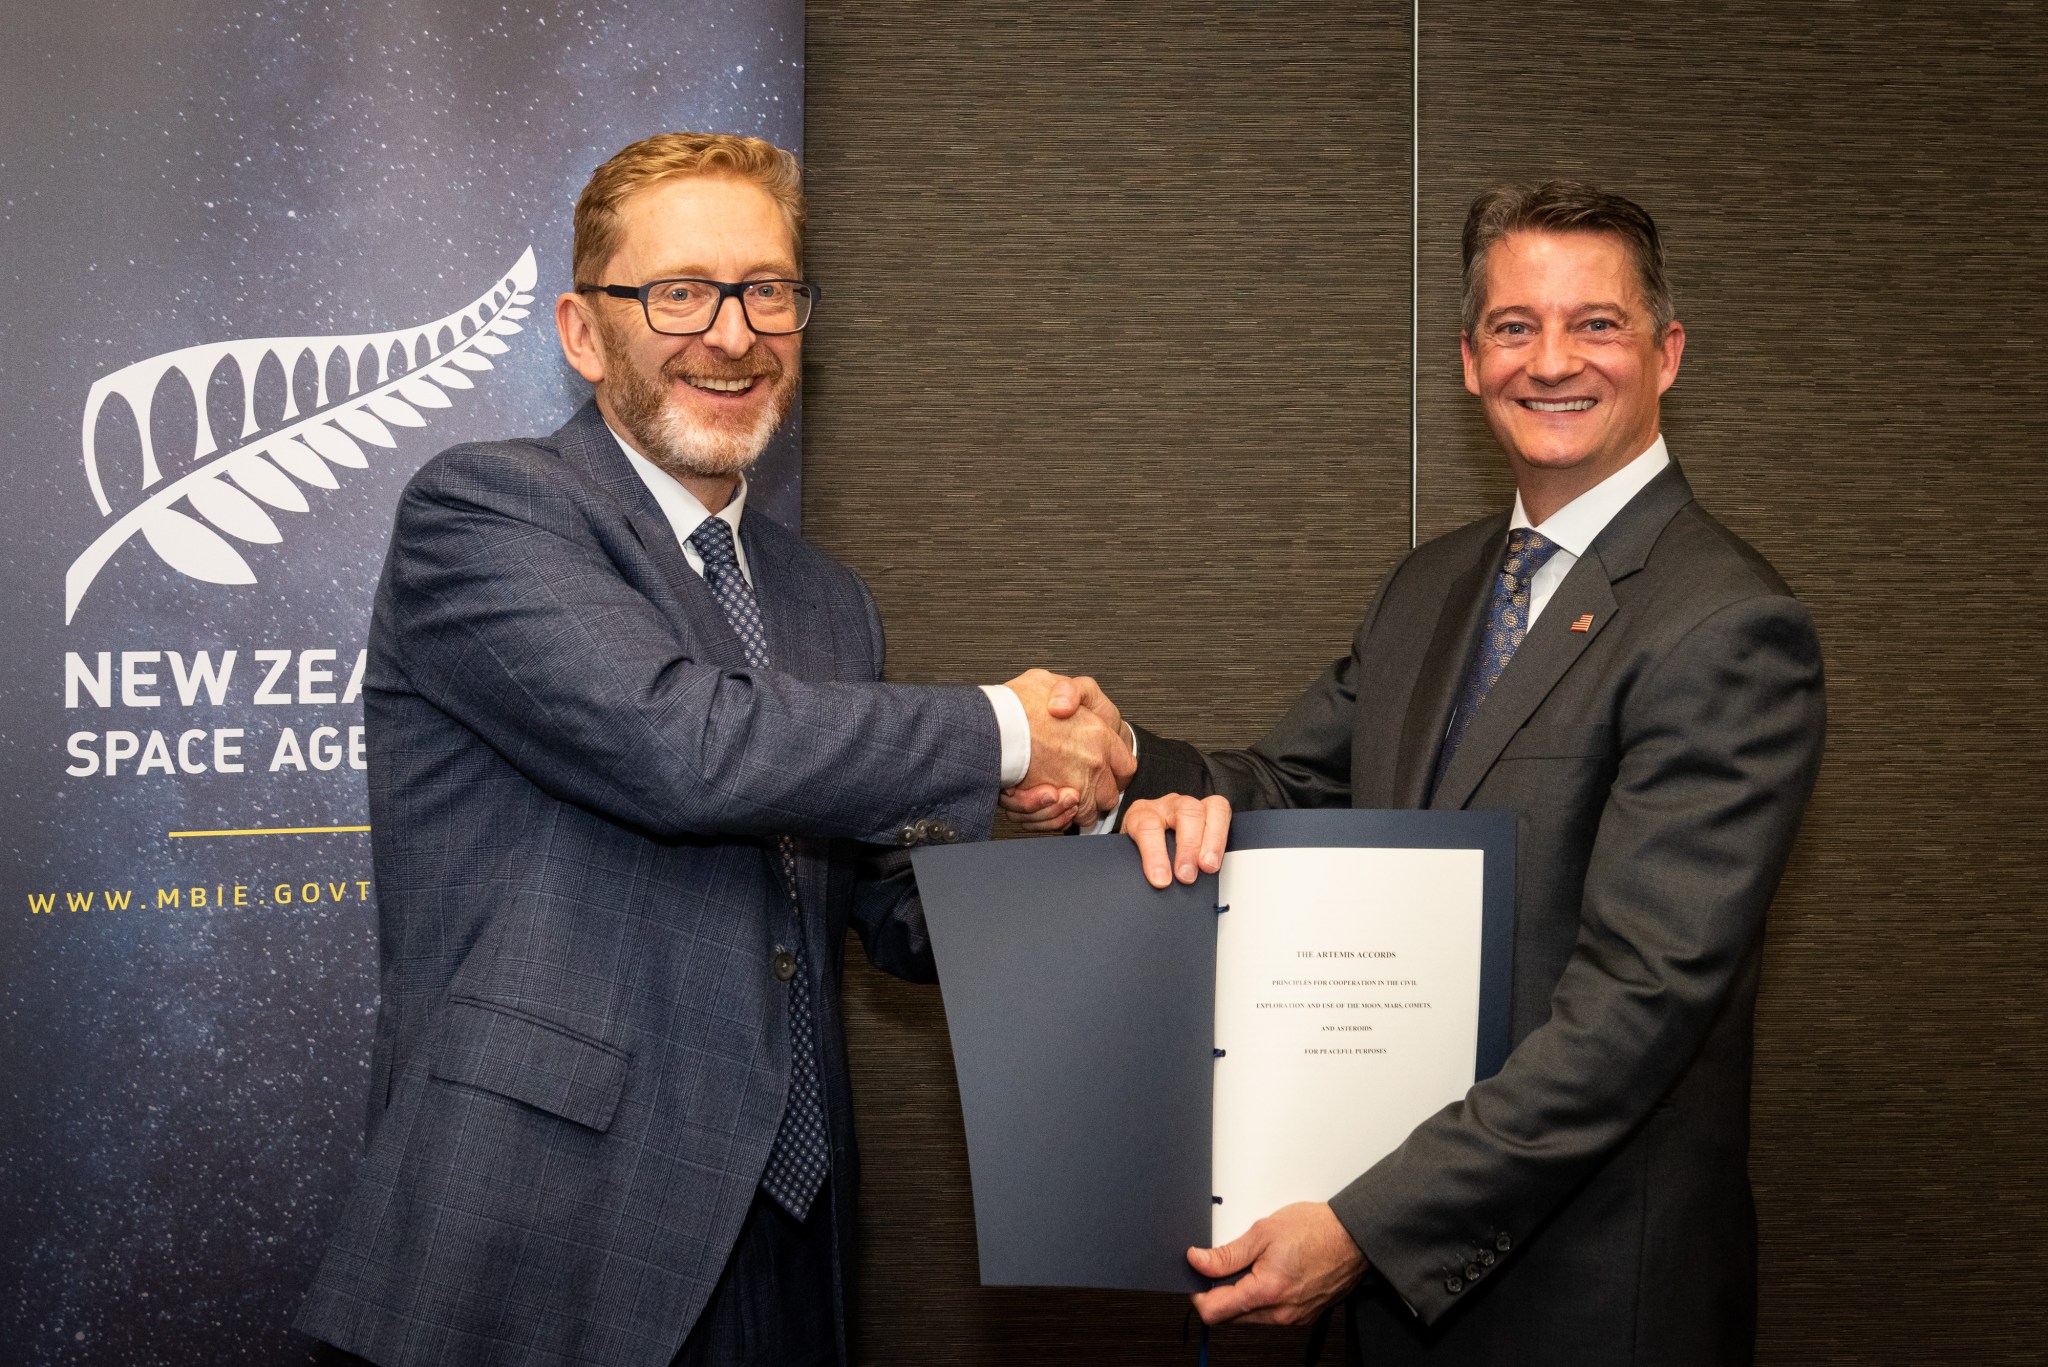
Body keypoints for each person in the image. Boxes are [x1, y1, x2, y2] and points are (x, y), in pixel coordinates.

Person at [294, 132, 1133, 1367]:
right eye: (679, 292)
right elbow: (680, 746)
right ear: (584, 332)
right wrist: (1005, 727)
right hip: (547, 1229)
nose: (732, 334)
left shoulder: (824, 600)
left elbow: (889, 910)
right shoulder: (486, 509)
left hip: (791, 1235)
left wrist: (1089, 828)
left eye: (768, 291)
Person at [1077, 182, 1825, 1364]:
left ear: (1665, 352)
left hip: (1583, 1298)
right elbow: (1288, 790)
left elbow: (1636, 1005)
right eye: (1514, 326)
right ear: (1469, 360)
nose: (1552, 360)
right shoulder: (1430, 587)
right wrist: (1117, 770)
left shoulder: (1726, 625)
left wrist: (1368, 1226)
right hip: (1387, 1294)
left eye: (1596, 323)